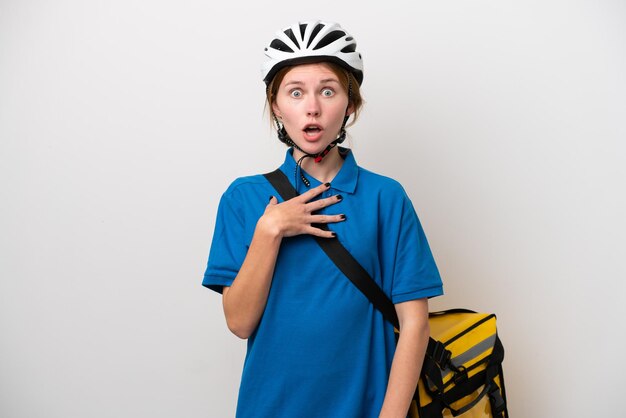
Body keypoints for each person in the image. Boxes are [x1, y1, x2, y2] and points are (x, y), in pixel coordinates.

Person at [202, 20, 444, 418]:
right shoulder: (243, 199)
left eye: (327, 91)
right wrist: (270, 229)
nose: (312, 106)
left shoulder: (386, 197)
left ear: (350, 105)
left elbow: (415, 324)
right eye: (296, 92)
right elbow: (240, 323)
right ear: (277, 105)